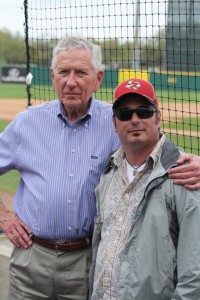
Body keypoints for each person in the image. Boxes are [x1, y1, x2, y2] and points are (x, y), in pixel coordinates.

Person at [0, 37, 199, 300]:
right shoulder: (26, 124)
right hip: (32, 259)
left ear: (98, 78)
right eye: (63, 72)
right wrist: (4, 216)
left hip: (87, 261)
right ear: (52, 76)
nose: (71, 81)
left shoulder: (117, 119)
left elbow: (155, 145)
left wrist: (195, 161)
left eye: (81, 72)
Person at [89, 78, 200, 299]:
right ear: (114, 122)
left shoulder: (184, 175)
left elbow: (194, 273)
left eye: (144, 111)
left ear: (158, 117)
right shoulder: (109, 174)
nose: (135, 120)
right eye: (124, 114)